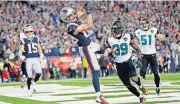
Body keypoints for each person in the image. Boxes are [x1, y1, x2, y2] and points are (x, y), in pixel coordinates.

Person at [59, 2, 109, 104]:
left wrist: (86, 3)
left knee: (103, 50)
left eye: (73, 14)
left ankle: (111, 58)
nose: (73, 16)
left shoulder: (74, 19)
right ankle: (98, 96)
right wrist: (89, 12)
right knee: (95, 70)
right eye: (70, 16)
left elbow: (81, 11)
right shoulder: (70, 27)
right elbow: (89, 25)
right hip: (86, 48)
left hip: (90, 43)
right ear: (66, 18)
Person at [104, 20, 147, 103]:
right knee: (127, 84)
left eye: (116, 30)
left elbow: (136, 48)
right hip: (119, 65)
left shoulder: (128, 36)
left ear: (120, 30)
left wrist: (139, 55)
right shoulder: (109, 40)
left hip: (128, 62)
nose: (114, 32)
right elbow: (108, 53)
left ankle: (141, 86)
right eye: (113, 30)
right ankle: (140, 96)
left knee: (134, 78)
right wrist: (111, 59)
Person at [135, 18, 168, 94]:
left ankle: (157, 87)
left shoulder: (153, 30)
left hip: (152, 55)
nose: (143, 25)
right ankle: (143, 75)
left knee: (156, 73)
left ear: (148, 24)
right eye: (142, 23)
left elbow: (161, 38)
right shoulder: (138, 32)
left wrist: (165, 35)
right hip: (144, 56)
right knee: (142, 72)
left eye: (144, 23)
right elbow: (134, 41)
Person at [19, 24, 44, 97]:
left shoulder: (36, 38)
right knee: (29, 76)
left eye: (30, 31)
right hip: (28, 59)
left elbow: (39, 47)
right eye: (27, 32)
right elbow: (21, 49)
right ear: (25, 33)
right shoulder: (24, 40)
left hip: (36, 58)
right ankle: (29, 90)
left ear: (33, 31)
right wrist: (20, 55)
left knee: (39, 73)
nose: (29, 33)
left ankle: (34, 82)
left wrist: (41, 54)